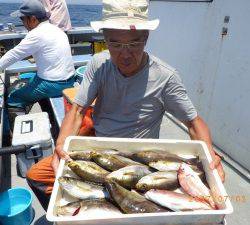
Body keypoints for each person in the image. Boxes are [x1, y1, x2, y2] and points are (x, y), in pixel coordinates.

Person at [26, 0, 225, 211]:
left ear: (146, 38)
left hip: (138, 160)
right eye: (116, 44)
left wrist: (209, 156)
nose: (125, 54)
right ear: (105, 39)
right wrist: (61, 145)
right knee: (36, 176)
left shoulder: (166, 77)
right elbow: (77, 111)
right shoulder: (98, 64)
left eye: (134, 43)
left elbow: (193, 122)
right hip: (97, 148)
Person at [0, 0, 75, 110]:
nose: (23, 23)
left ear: (33, 19)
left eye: (23, 19)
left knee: (13, 98)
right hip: (69, 79)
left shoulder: (36, 34)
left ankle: (15, 115)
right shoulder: (56, 29)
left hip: (53, 85)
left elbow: (13, 55)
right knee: (24, 77)